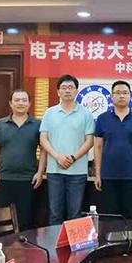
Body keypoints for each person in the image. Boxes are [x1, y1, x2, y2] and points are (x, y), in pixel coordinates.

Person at [0, 89, 46, 231]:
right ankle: (4, 244)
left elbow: (44, 149)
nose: (20, 103)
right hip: (3, 178)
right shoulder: (0, 124)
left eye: (24, 100)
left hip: (28, 180)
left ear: (29, 103)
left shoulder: (38, 124)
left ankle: (25, 245)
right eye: (17, 100)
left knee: (26, 220)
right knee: (3, 220)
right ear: (10, 103)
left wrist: (40, 172)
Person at [40, 74, 94, 226]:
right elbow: (43, 139)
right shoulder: (49, 113)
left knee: (75, 214)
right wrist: (58, 157)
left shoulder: (86, 113)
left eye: (71, 87)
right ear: (58, 92)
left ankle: (73, 242)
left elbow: (90, 141)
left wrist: (73, 157)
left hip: (77, 172)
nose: (67, 90)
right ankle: (54, 241)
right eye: (64, 88)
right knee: (55, 213)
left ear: (76, 91)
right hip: (54, 171)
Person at [93, 80, 132, 219]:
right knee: (110, 216)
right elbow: (98, 147)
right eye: (118, 93)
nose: (121, 96)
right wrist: (98, 174)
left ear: (130, 96)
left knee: (131, 216)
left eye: (125, 93)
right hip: (108, 176)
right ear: (111, 96)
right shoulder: (102, 119)